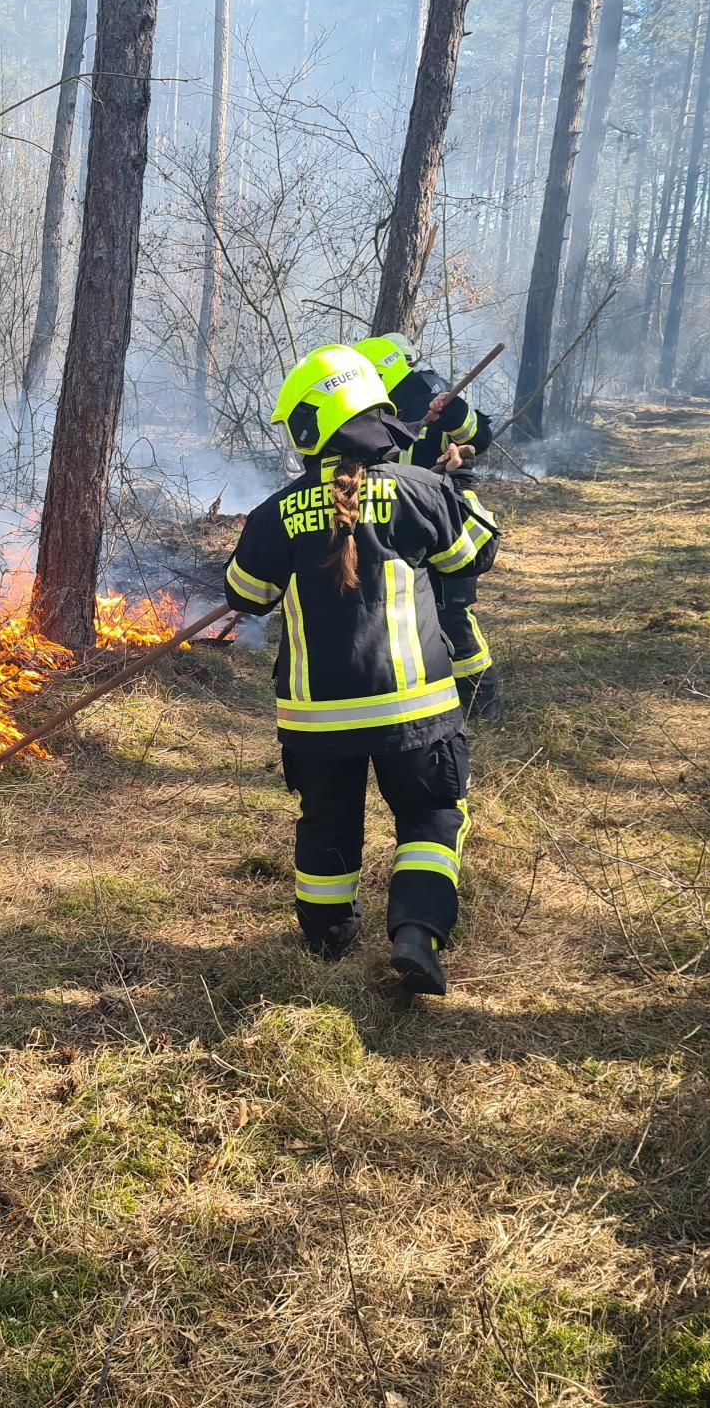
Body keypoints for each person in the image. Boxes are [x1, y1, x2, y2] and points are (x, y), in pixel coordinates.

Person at [222, 345, 500, 995]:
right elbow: (472, 557)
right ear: (378, 413)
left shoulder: (274, 515)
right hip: (418, 710)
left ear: (305, 432)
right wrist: (452, 485)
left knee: (328, 824)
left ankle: (325, 944)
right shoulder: (421, 491)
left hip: (317, 721)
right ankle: (415, 932)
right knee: (431, 817)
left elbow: (245, 596)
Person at [354, 332, 502, 719]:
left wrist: (451, 415)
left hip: (451, 521)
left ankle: (480, 702)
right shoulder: (390, 410)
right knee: (414, 608)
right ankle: (426, 690)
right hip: (410, 521)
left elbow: (478, 435)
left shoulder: (436, 398)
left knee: (453, 610)